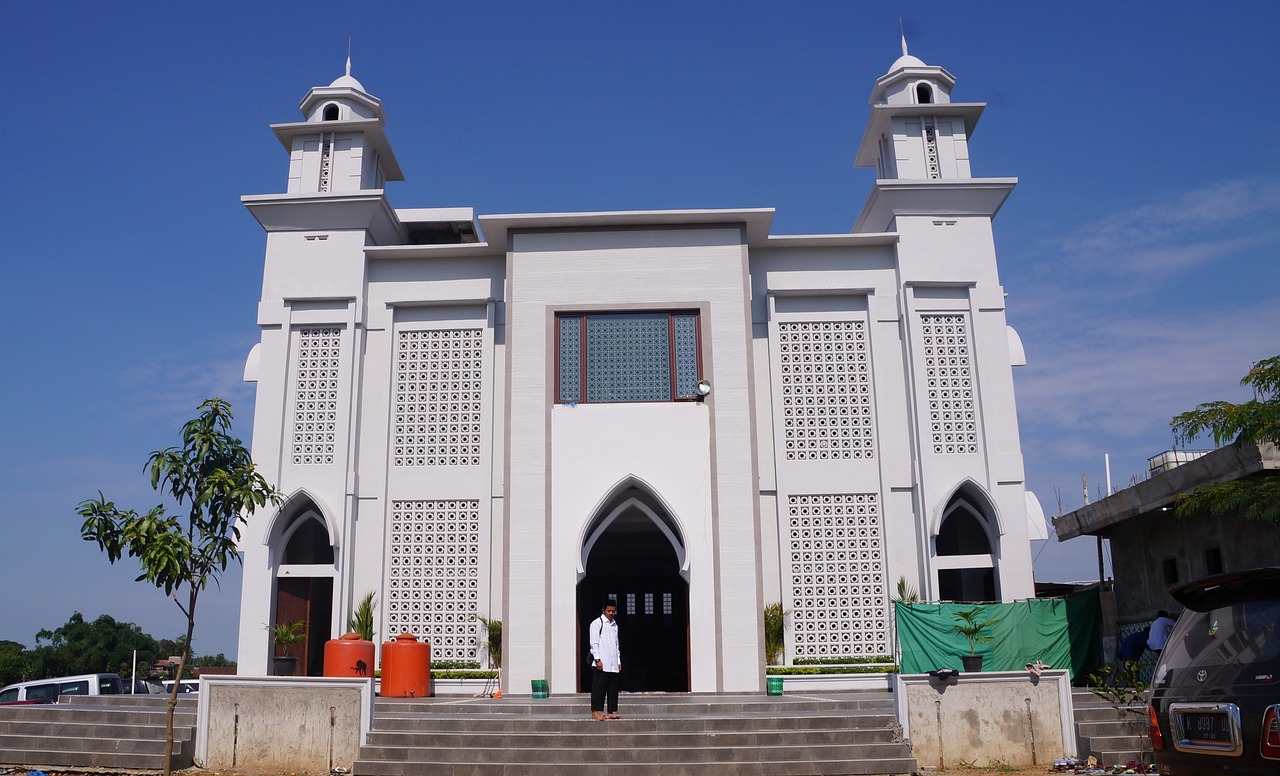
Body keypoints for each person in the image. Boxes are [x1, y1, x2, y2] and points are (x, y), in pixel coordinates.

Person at [589, 598, 621, 721]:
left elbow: (616, 643)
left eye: (613, 611)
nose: (611, 613)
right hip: (602, 661)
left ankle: (610, 711)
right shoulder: (597, 623)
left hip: (613, 662)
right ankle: (595, 711)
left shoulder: (614, 624)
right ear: (603, 610)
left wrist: (618, 661)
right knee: (599, 687)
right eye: (609, 611)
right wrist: (597, 659)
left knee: (613, 688)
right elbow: (594, 643)